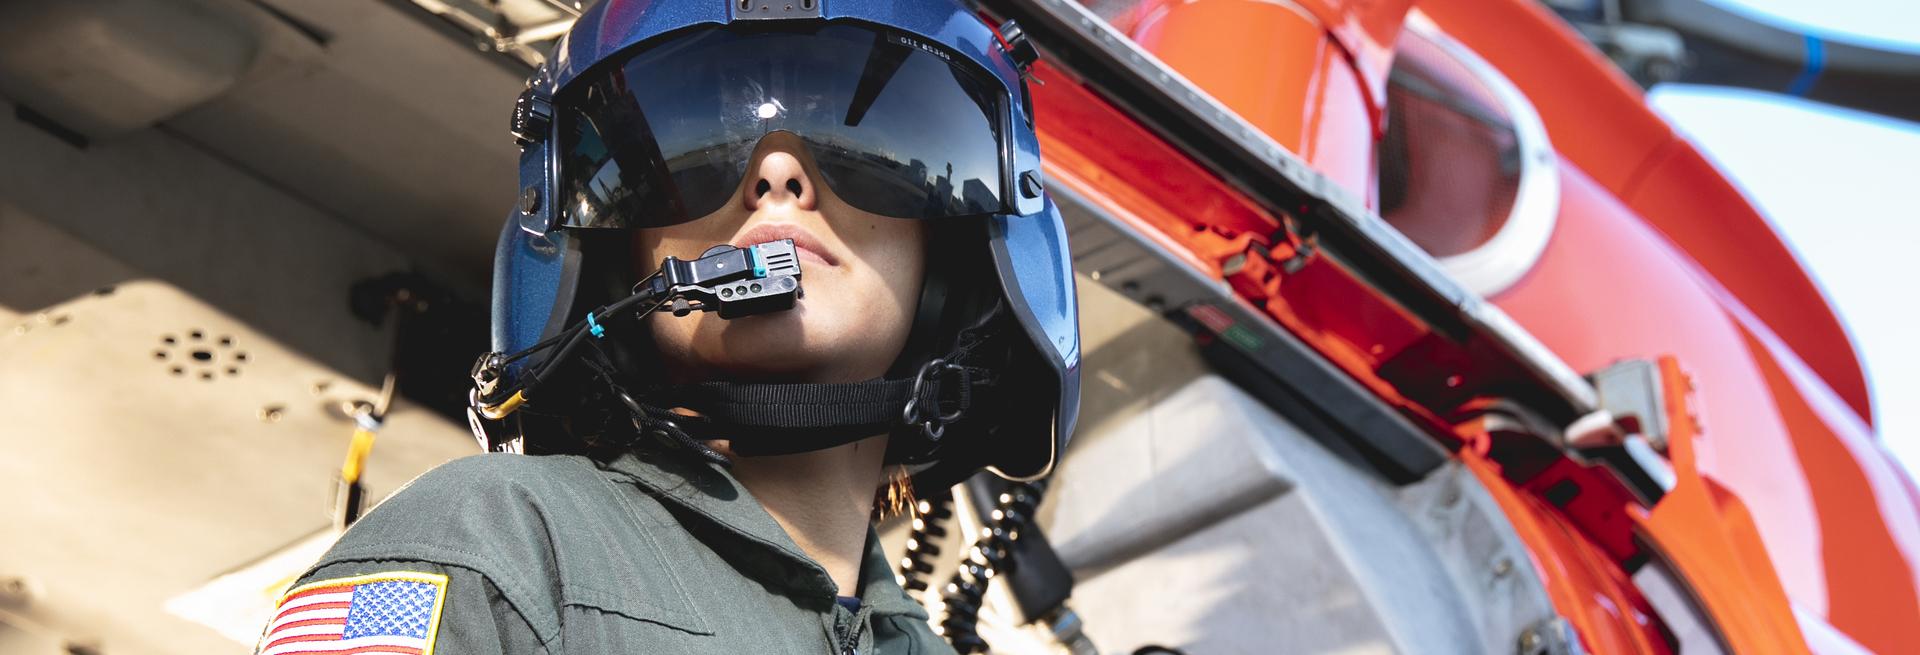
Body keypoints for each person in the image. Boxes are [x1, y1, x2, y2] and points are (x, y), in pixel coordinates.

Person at [252, 1, 1080, 653]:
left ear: (954, 257)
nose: (778, 175)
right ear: (618, 259)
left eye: (863, 147)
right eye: (695, 151)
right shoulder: (496, 545)